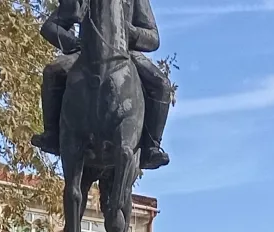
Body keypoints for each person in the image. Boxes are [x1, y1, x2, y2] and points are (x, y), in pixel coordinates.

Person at [33, 0, 173, 169]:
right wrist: (72, 43)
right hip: (86, 53)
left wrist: (131, 31)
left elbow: (153, 38)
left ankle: (151, 147)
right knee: (52, 71)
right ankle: (51, 135)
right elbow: (50, 26)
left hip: (126, 53)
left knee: (162, 85)